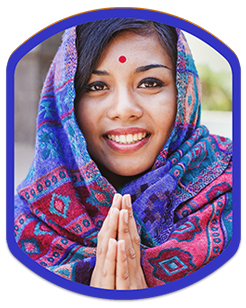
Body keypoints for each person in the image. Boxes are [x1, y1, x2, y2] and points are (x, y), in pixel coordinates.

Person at [14, 18, 232, 290]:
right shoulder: (23, 225)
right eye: (96, 86)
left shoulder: (232, 194)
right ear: (64, 102)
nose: (124, 109)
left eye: (150, 82)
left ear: (183, 91)